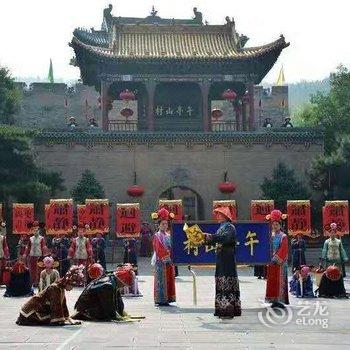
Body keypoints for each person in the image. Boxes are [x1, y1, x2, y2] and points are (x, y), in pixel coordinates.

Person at [203, 207, 241, 319]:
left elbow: (225, 238)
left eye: (220, 214)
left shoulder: (230, 227)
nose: (217, 216)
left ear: (226, 216)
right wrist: (203, 238)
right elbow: (216, 239)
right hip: (221, 257)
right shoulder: (221, 227)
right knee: (221, 280)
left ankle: (228, 310)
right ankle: (221, 309)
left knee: (227, 280)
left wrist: (210, 236)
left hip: (227, 258)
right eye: (217, 214)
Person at [16, 265, 84, 326]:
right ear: (68, 282)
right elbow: (56, 307)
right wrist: (61, 321)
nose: (72, 288)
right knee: (53, 318)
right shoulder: (55, 288)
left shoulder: (60, 288)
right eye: (72, 285)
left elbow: (63, 305)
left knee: (56, 317)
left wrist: (68, 319)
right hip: (29, 313)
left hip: (39, 309)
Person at [151, 208, 176, 306]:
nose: (165, 226)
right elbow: (159, 249)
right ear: (159, 225)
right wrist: (167, 258)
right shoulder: (157, 236)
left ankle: (169, 298)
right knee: (161, 281)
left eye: (166, 224)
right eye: (163, 224)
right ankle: (161, 300)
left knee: (169, 279)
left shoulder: (169, 235)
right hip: (161, 262)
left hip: (169, 261)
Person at [265, 210, 289, 308]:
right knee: (272, 280)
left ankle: (279, 300)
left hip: (280, 263)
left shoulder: (283, 236)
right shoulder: (270, 235)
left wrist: (275, 259)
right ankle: (272, 299)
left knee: (280, 280)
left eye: (276, 224)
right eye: (273, 224)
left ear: (280, 224)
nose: (274, 226)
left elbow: (284, 249)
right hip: (271, 262)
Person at [23, 222, 48, 287]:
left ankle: (38, 282)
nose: (35, 231)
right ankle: (32, 282)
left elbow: (44, 247)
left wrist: (45, 254)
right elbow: (28, 247)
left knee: (38, 270)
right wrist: (25, 254)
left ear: (39, 230)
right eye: (34, 230)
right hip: (31, 257)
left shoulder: (41, 238)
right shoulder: (31, 238)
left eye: (36, 230)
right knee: (31, 270)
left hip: (39, 257)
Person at [0, 221, 9, 285]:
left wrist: (6, 255)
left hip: (1, 255)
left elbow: (5, 247)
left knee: (1, 269)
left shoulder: (2, 237)